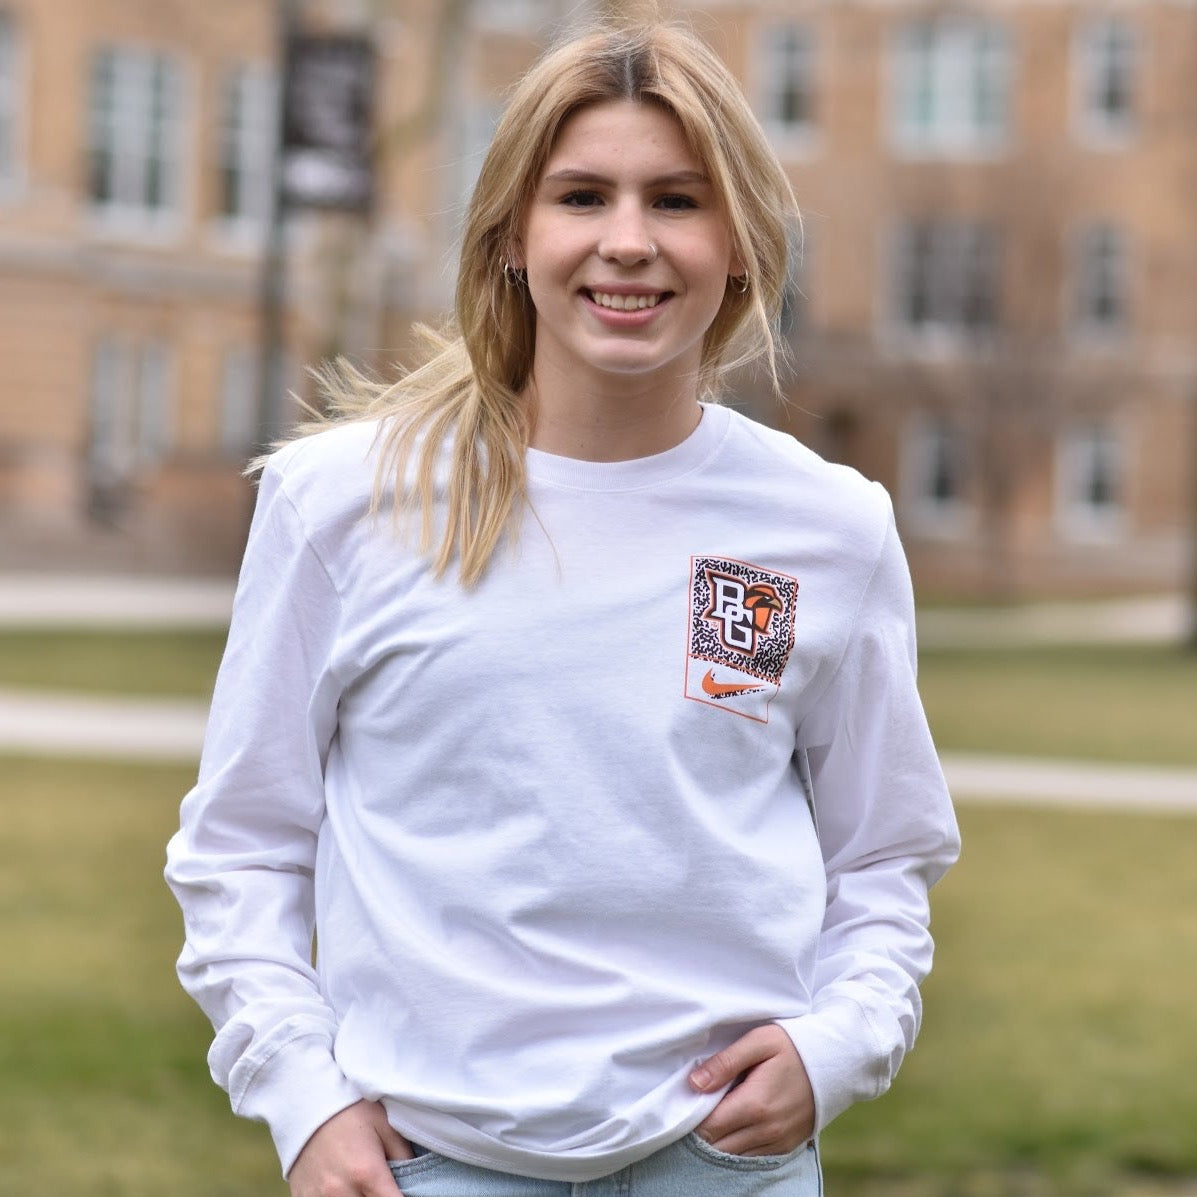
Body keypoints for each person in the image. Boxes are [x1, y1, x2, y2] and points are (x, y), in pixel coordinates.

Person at [165, 20, 960, 1197]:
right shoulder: (340, 504)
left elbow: (884, 853)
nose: (628, 243)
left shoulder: (826, 527)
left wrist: (836, 1048)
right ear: (510, 239)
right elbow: (241, 845)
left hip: (725, 1165)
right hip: (430, 1166)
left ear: (740, 244)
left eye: (677, 201)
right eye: (583, 196)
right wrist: (301, 1098)